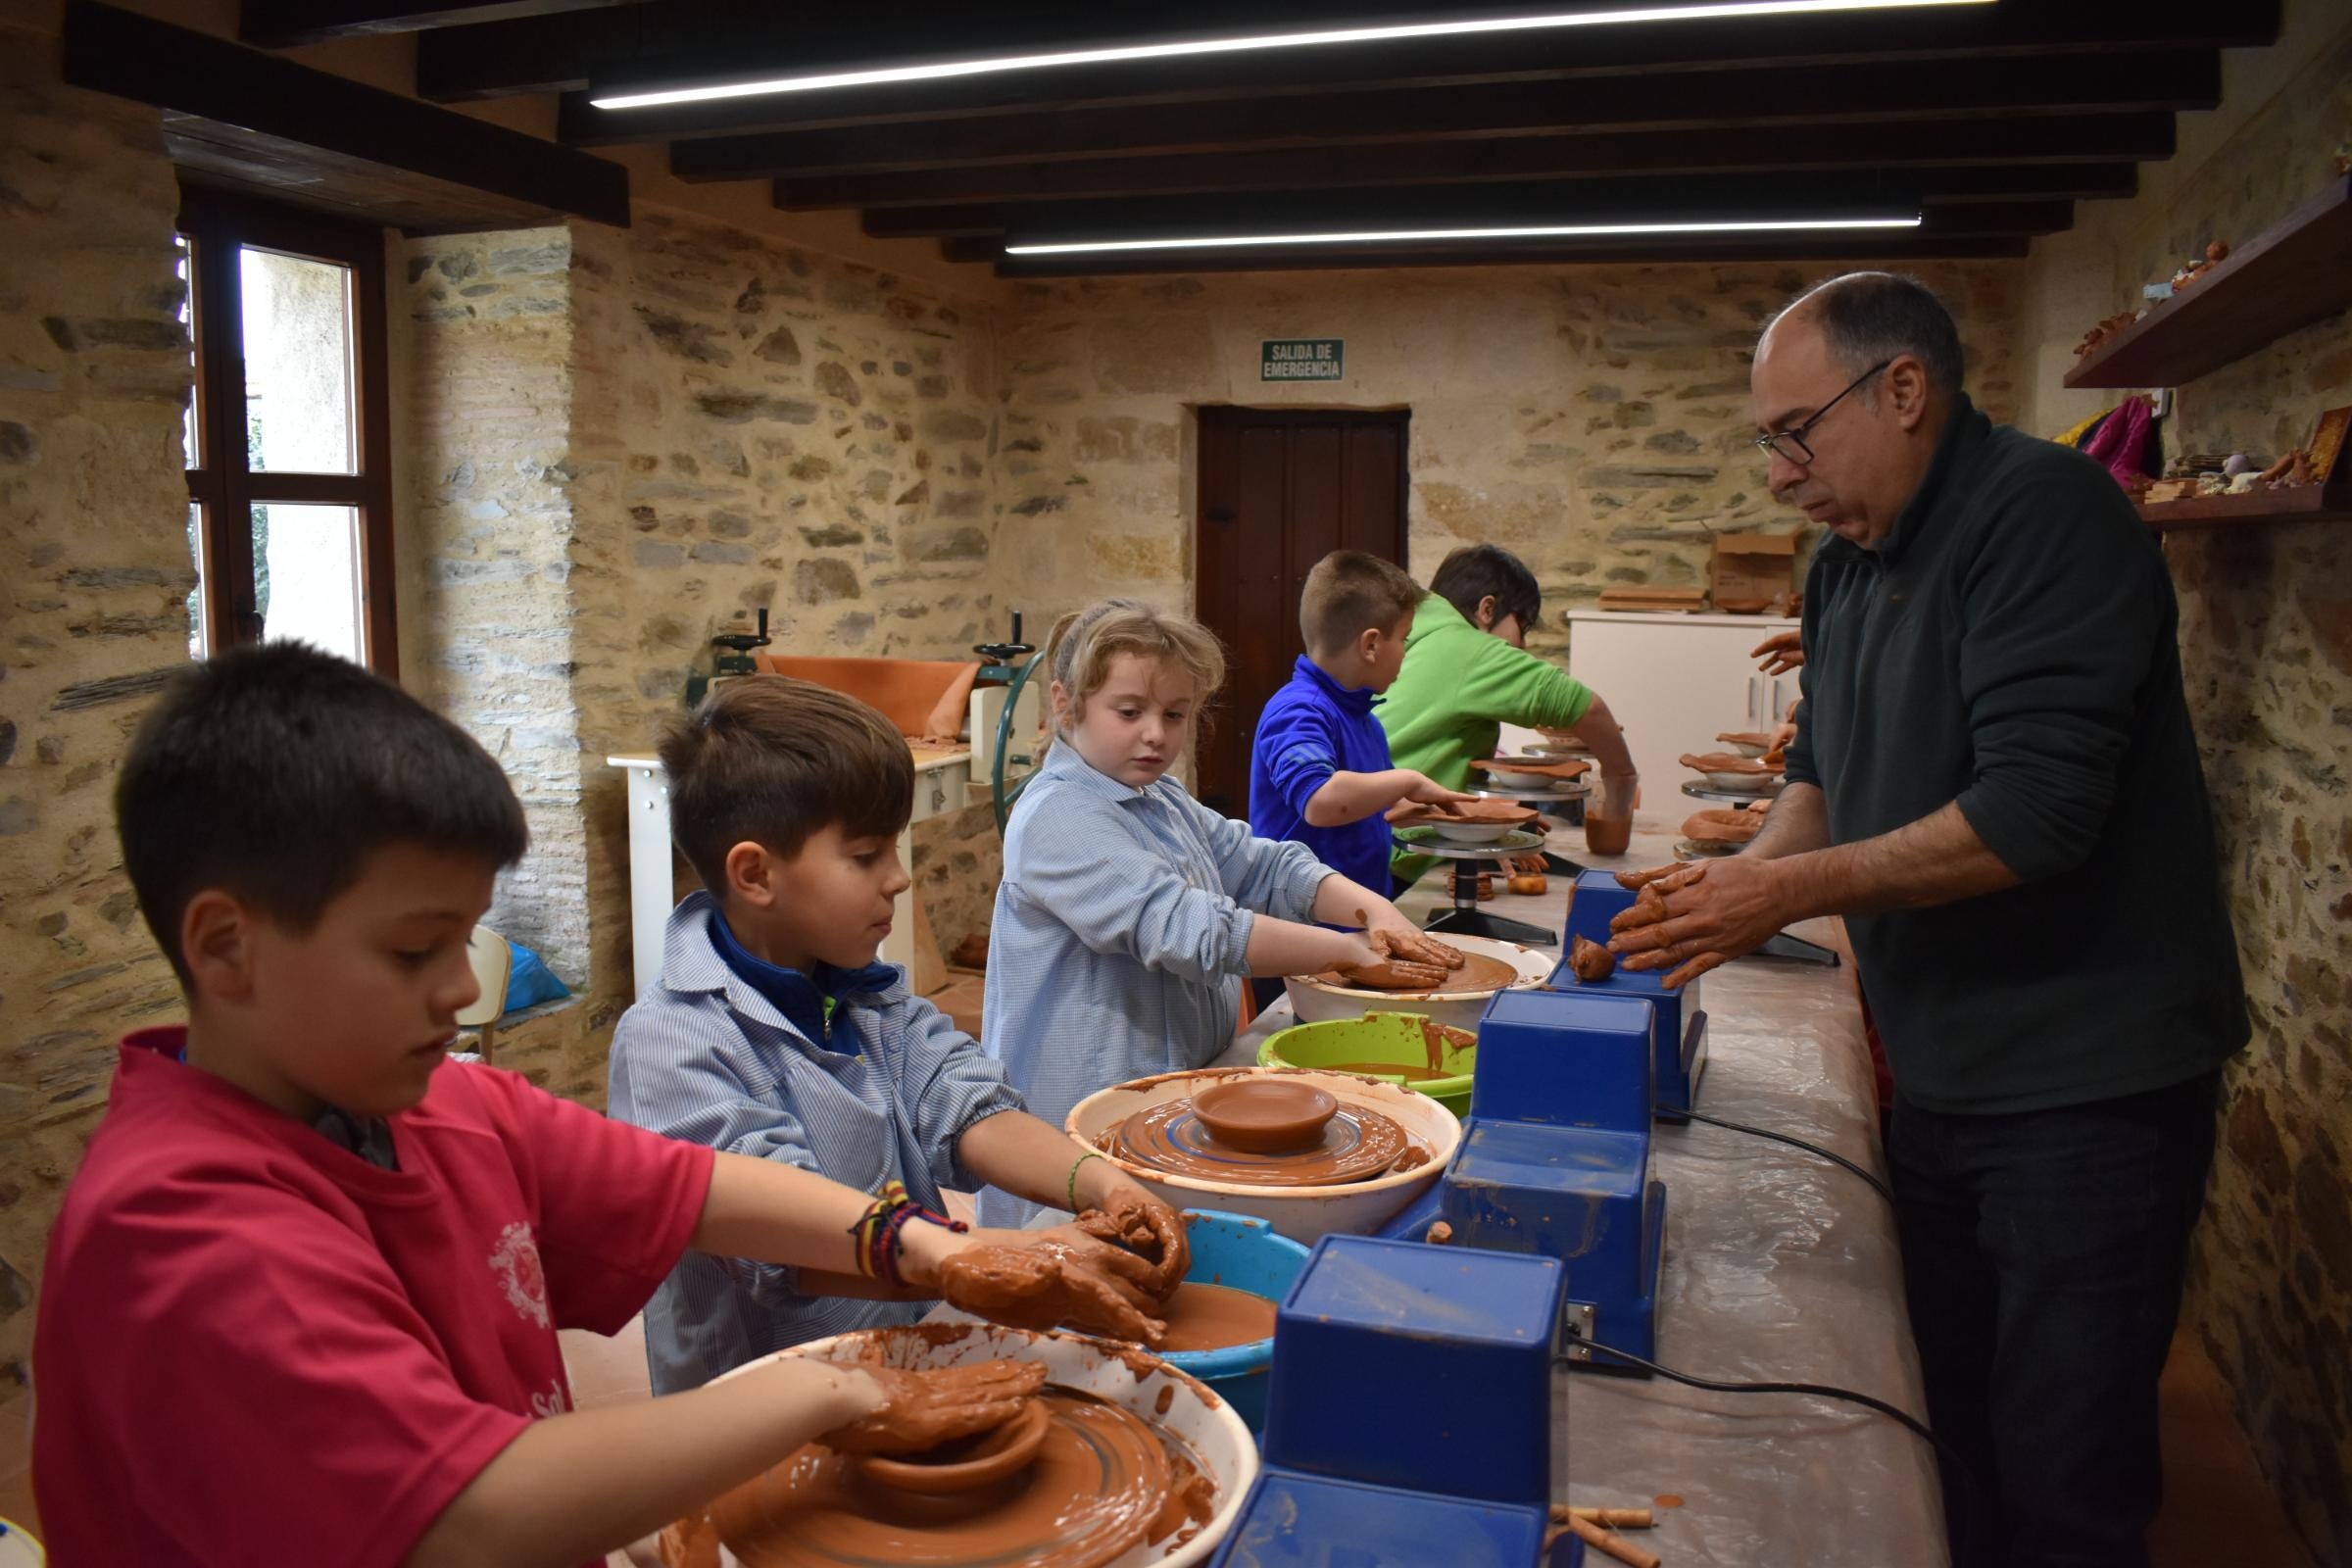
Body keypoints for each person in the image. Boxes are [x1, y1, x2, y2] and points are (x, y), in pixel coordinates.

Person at [32, 645, 1165, 1568]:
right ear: (227, 946)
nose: (465, 989)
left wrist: (927, 1252)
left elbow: (691, 1188)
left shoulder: (440, 1105)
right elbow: (467, 1515)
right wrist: (837, 1392)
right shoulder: (178, 1229)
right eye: (417, 949)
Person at [1607, 271, 2247, 1568]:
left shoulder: (2048, 515)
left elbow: (2034, 816)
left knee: (2066, 1467)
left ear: (1905, 391)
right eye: (1766, 443)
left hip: (2086, 1085)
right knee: (1943, 1413)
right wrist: (1732, 893)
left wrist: (1779, 892)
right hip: (1946, 1067)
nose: (1782, 473)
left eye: (1797, 432)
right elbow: (1821, 776)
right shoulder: (1850, 564)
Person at [609, 676, 1189, 1395]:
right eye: (866, 856)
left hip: (908, 1368)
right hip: (766, 1421)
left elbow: (969, 1108)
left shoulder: (863, 995)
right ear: (756, 874)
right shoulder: (672, 1046)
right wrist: (1008, 1256)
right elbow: (787, 1235)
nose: (900, 879)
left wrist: (1102, 1183)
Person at [981, 600, 1458, 1227]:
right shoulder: (1059, 816)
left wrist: (1369, 908)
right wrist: (1346, 951)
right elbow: (1195, 931)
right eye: (1129, 712)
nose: (1156, 733)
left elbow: (1261, 865)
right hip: (1081, 1123)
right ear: (1066, 704)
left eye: (1175, 714)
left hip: (1168, 1097)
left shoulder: (1159, 797)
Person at [1247, 550, 1473, 1005]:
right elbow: (1322, 802)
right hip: (1303, 944)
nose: (1406, 651)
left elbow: (1366, 805)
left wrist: (1418, 813)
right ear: (1370, 645)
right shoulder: (1299, 709)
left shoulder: (1364, 717)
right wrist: (1407, 779)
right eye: (1404, 639)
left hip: (1357, 933)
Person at [1376, 543, 1638, 886]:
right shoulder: (1466, 647)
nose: (1522, 647)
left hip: (1360, 834)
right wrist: (1622, 781)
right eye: (1523, 627)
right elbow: (1587, 708)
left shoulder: (1416, 630)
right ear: (1487, 609)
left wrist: (1491, 814)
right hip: (1398, 856)